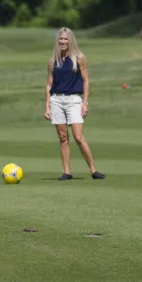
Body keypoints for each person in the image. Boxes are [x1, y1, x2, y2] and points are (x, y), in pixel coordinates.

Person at [44, 27, 105, 181]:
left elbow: (86, 81)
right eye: (61, 39)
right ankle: (67, 172)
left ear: (71, 40)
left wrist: (85, 102)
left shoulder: (79, 58)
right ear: (58, 40)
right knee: (63, 137)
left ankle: (93, 170)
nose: (63, 42)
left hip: (74, 100)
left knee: (78, 136)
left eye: (66, 39)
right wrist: (47, 105)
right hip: (57, 100)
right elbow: (49, 84)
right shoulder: (53, 61)